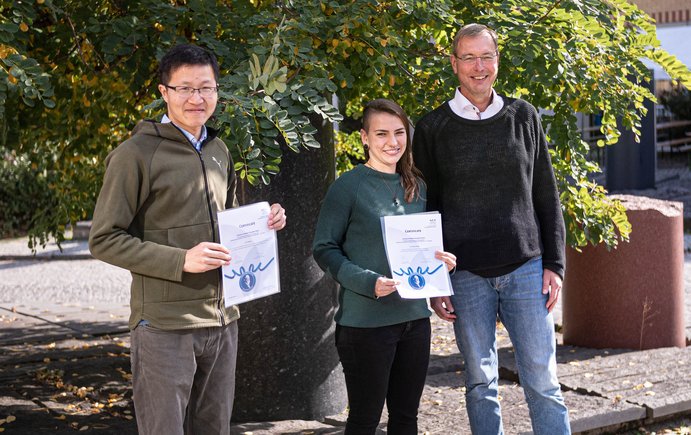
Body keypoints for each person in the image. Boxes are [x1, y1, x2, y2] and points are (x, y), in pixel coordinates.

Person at [89, 44, 286, 435]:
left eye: (205, 88)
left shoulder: (219, 150)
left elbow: (227, 223)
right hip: (164, 326)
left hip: (223, 319)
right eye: (184, 88)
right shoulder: (134, 155)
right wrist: (181, 260)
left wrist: (265, 221)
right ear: (164, 92)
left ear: (217, 92)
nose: (196, 98)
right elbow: (104, 239)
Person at [412, 24, 571, 434]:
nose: (478, 67)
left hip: (526, 269)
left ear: (497, 61)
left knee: (543, 379)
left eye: (486, 57)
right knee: (480, 382)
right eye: (468, 57)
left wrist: (555, 264)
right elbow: (428, 209)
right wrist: (434, 282)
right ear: (454, 64)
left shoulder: (523, 117)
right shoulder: (432, 129)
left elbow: (546, 195)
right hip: (464, 275)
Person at [312, 98, 456, 435]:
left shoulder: (418, 187)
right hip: (365, 325)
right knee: (364, 421)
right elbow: (323, 249)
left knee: (406, 420)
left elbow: (425, 248)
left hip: (415, 322)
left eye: (399, 133)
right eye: (381, 134)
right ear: (364, 137)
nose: (392, 142)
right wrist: (365, 281)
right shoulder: (347, 187)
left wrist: (441, 269)